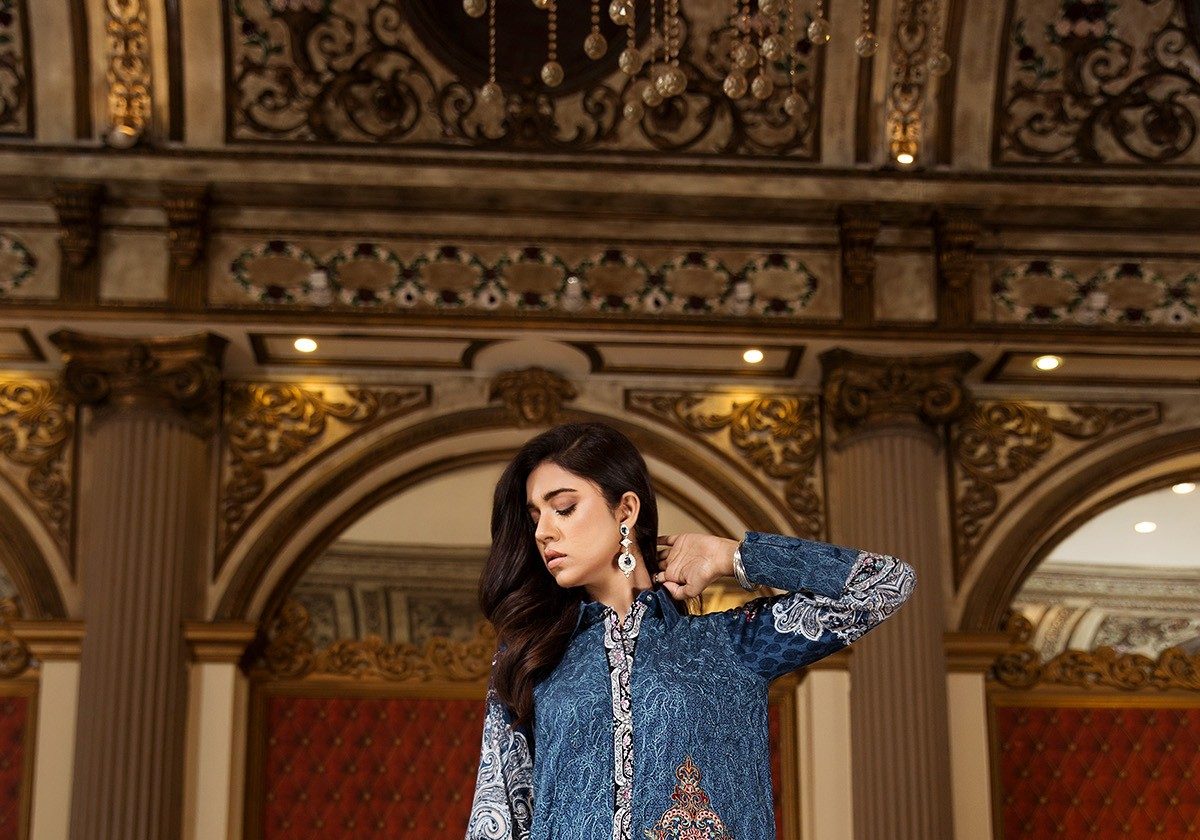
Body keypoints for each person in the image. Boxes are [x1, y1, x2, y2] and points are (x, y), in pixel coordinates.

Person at [465, 421, 916, 840]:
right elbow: (496, 817)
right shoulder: (532, 653)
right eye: (535, 517)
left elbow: (884, 584)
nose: (543, 532)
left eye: (563, 508)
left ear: (626, 510)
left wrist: (732, 556)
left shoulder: (730, 646)